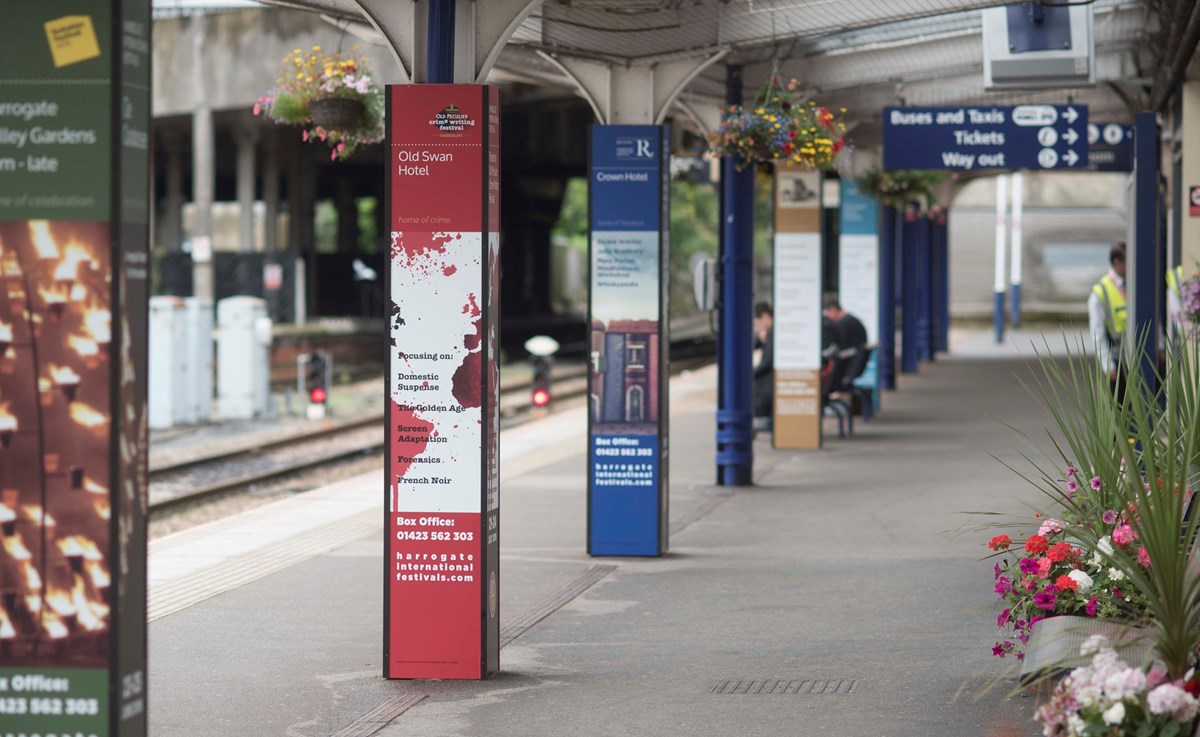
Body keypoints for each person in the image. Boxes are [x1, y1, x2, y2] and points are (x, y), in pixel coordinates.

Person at [1088, 243, 1126, 388]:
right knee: (1120, 408)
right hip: (1117, 360)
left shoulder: (1136, 283)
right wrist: (1107, 364)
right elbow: (1097, 332)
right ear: (1117, 262)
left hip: (1139, 359)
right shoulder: (1100, 292)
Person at [753, 301, 774, 423]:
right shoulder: (770, 334)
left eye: (758, 323)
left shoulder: (773, 334)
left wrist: (753, 373)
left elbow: (767, 362)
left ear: (765, 317)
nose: (758, 327)